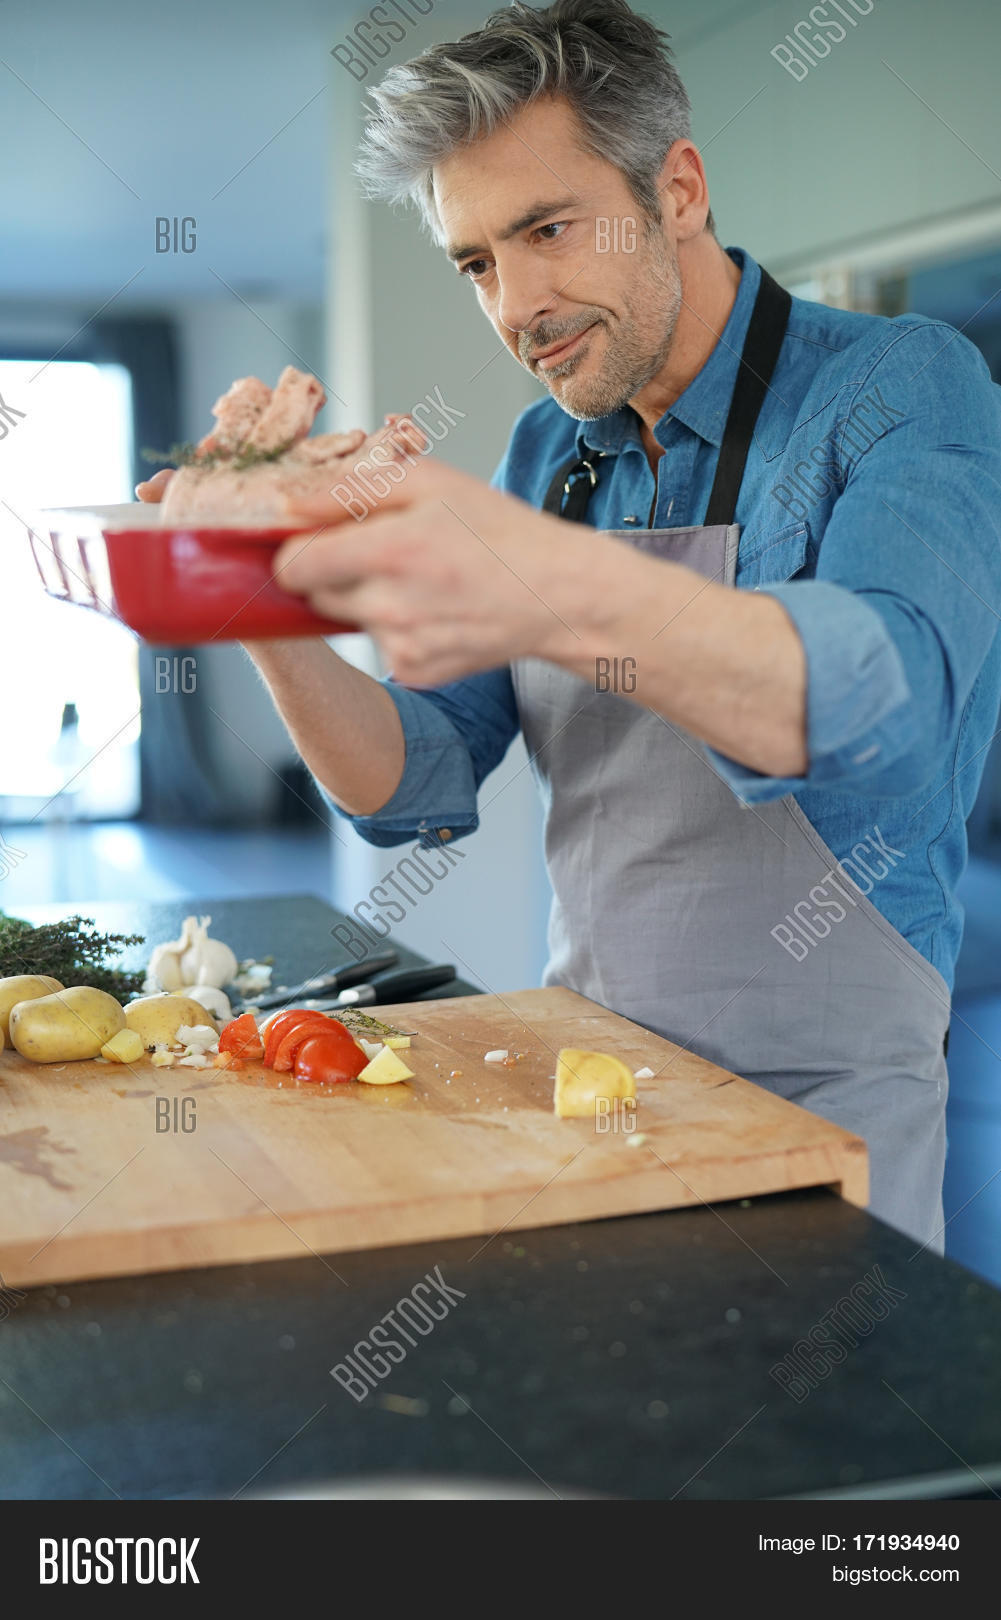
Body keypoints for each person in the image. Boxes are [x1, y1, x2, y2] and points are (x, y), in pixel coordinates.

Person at [139, 1, 1001, 1248]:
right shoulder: (548, 452)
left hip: (827, 1117)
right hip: (587, 1082)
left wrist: (525, 572)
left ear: (680, 192)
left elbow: (893, 702)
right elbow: (415, 780)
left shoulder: (896, 386)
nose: (515, 304)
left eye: (548, 229)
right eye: (477, 261)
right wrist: (253, 599)